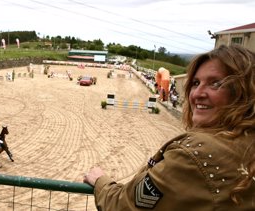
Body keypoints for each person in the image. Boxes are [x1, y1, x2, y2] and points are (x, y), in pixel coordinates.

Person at [83, 44, 255, 211]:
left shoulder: (194, 154)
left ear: (244, 91)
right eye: (195, 83)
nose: (197, 94)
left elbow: (123, 206)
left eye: (215, 84)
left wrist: (101, 182)